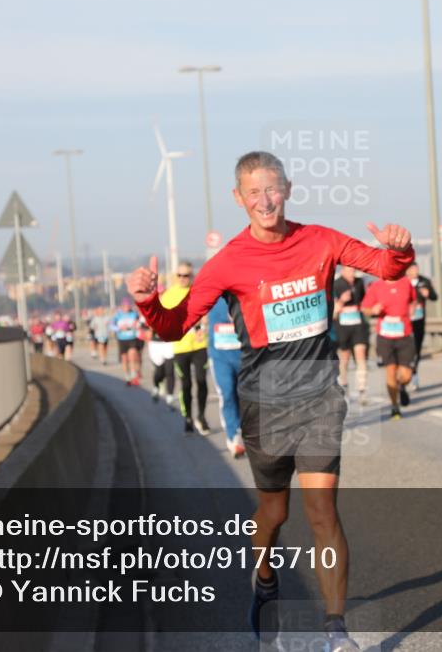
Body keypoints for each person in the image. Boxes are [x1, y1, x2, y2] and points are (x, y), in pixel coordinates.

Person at [126, 151, 413, 650]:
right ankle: (263, 578)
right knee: (274, 514)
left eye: (272, 189)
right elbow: (174, 326)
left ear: (289, 189)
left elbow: (384, 268)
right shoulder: (228, 261)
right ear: (239, 199)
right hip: (265, 404)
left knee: (323, 511)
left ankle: (335, 631)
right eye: (254, 192)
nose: (265, 201)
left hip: (320, 396)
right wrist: (148, 300)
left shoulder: (320, 239)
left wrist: (400, 250)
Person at [162, 262, 211, 435]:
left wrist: (203, 327)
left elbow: (206, 314)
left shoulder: (198, 292)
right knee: (186, 384)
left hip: (199, 345)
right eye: (180, 275)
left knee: (201, 381)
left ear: (192, 276)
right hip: (180, 347)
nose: (183, 279)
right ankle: (188, 418)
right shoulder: (168, 295)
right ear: (175, 276)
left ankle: (201, 417)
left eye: (186, 275)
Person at [362, 276, 417, 420]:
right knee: (391, 371)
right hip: (385, 336)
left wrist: (412, 308)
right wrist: (373, 310)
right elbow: (365, 309)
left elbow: (414, 300)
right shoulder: (376, 286)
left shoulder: (406, 282)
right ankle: (394, 406)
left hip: (404, 334)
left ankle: (402, 386)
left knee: (406, 375)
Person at [207, 295, 247, 457]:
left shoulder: (242, 291)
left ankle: (246, 432)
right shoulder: (211, 293)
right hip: (220, 357)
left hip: (245, 355)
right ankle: (233, 436)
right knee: (228, 394)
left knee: (245, 397)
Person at [332, 266, 370, 404]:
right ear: (342, 271)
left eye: (354, 271)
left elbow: (365, 302)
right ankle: (344, 386)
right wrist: (341, 301)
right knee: (345, 358)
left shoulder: (359, 282)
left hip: (358, 324)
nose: (352, 274)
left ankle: (362, 389)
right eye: (349, 271)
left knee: (361, 354)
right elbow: (333, 312)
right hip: (343, 326)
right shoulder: (336, 284)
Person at [405, 261, 437, 391]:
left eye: (416, 269)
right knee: (407, 350)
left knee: (416, 349)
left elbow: (435, 297)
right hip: (405, 322)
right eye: (413, 269)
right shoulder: (402, 281)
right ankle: (405, 375)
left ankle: (414, 375)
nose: (415, 271)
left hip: (419, 320)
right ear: (407, 271)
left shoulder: (424, 281)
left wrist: (428, 294)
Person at [112, 298, 144, 385]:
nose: (127, 307)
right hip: (122, 339)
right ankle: (127, 375)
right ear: (122, 306)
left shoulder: (134, 314)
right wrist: (119, 328)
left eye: (128, 306)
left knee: (132, 354)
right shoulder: (118, 315)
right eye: (125, 306)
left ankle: (133, 372)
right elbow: (111, 326)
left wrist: (137, 325)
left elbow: (141, 322)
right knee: (124, 359)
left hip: (132, 338)